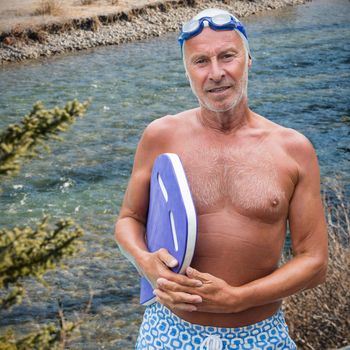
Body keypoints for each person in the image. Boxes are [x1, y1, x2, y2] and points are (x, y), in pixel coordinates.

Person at [115, 8, 328, 350]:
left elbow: (314, 262)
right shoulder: (160, 136)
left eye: (227, 56)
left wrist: (239, 298)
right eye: (201, 61)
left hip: (260, 336)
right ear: (187, 72)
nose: (216, 73)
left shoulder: (293, 149)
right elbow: (129, 220)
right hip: (168, 333)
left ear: (248, 60)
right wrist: (145, 263)